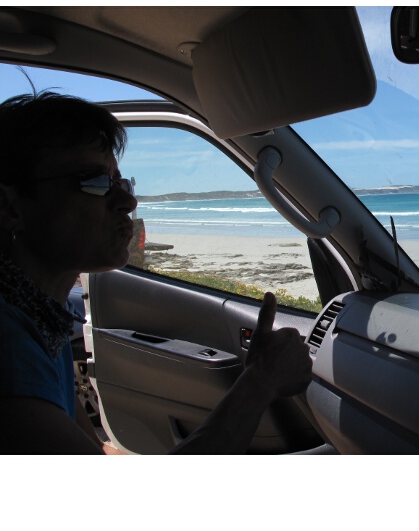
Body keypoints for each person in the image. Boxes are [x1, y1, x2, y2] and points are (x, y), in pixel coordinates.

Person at [0, 91, 313, 454]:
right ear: (10, 207)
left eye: (120, 183)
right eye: (95, 182)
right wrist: (261, 381)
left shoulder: (38, 321)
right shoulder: (10, 349)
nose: (128, 201)